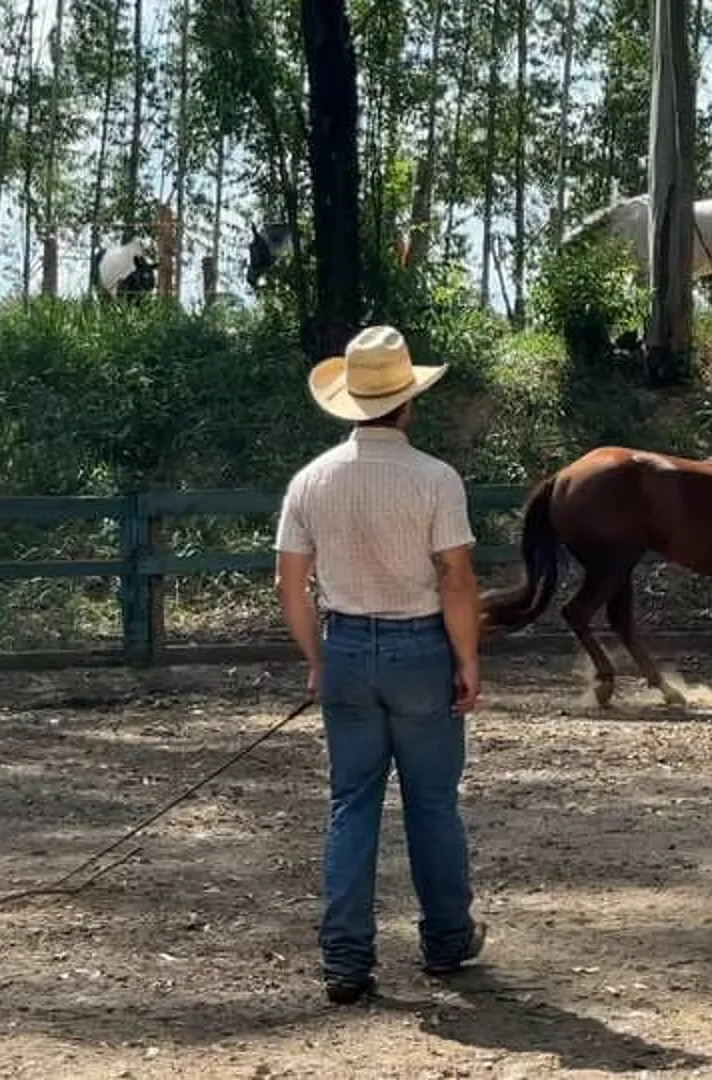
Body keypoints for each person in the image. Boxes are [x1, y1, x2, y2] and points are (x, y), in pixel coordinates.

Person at [273, 324, 487, 1005]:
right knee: (431, 803)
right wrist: (468, 660)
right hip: (419, 647)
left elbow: (289, 584)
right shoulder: (435, 480)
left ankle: (345, 959)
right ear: (406, 401)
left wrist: (317, 658)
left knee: (351, 803)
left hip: (343, 646)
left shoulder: (311, 480)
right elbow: (456, 579)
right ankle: (446, 940)